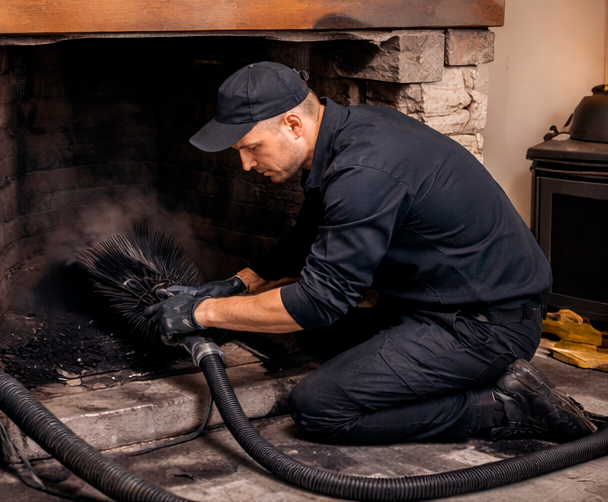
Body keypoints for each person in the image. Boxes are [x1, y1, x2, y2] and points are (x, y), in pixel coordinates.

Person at [144, 61, 597, 444]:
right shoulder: (347, 135)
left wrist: (207, 314)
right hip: (436, 307)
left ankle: (505, 406)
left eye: (251, 148)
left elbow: (320, 299)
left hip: (487, 328)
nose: (245, 164)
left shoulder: (363, 169)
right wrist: (237, 285)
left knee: (319, 407)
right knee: (313, 334)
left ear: (293, 124)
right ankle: (446, 376)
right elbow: (306, 239)